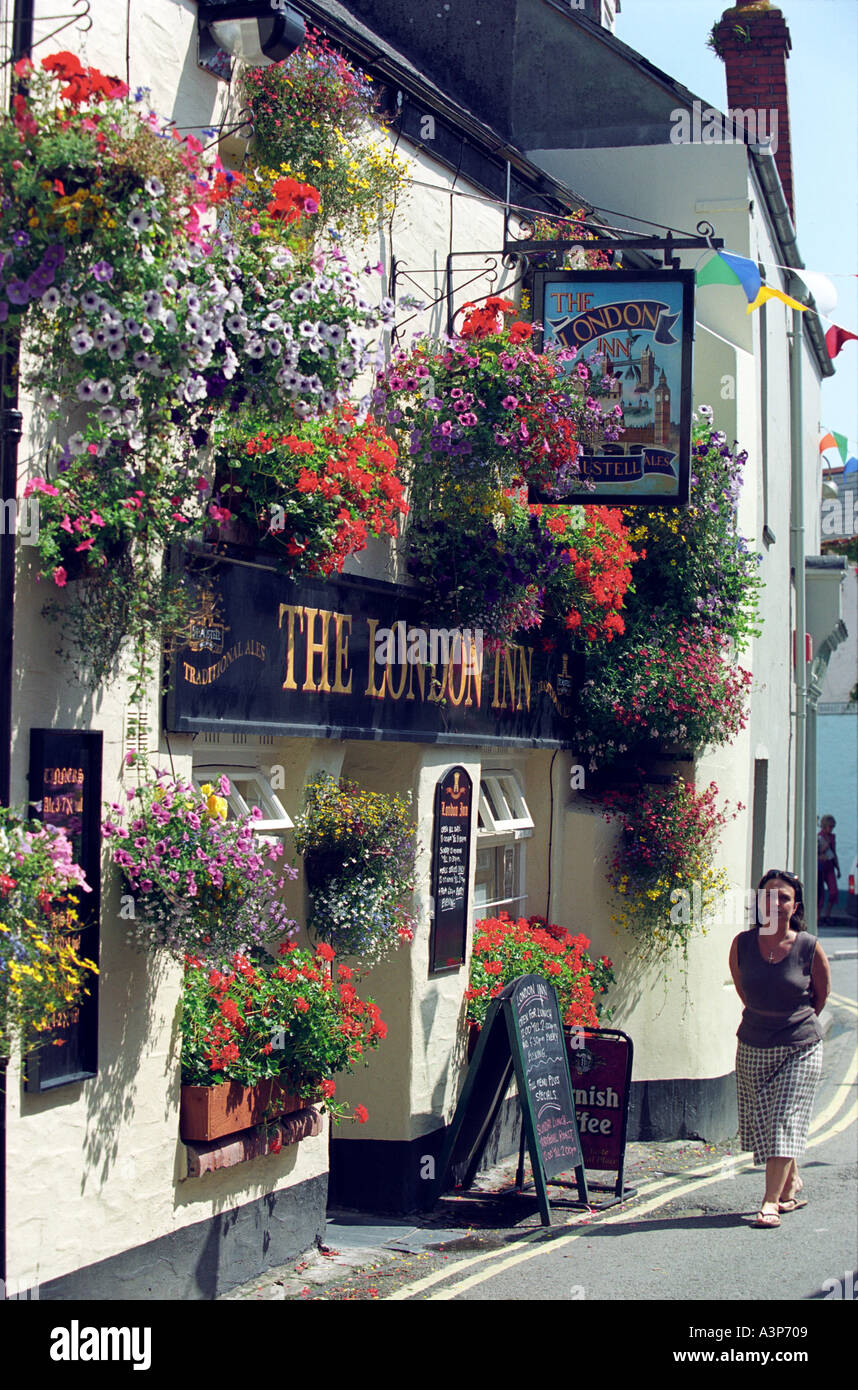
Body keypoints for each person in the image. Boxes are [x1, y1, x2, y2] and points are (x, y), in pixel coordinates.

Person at [728, 869, 831, 1228]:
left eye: (783, 896)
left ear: (795, 905)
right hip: (754, 1042)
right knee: (761, 1125)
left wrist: (791, 1023)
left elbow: (819, 996)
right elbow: (745, 990)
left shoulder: (809, 947)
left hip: (799, 1044)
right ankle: (790, 1181)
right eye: (768, 895)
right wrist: (765, 1017)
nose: (775, 902)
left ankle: (769, 1203)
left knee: (784, 1119)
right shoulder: (742, 944)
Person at [817, 815, 840, 923]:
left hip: (830, 867)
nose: (831, 829)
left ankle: (827, 914)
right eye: (829, 827)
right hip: (821, 867)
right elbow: (816, 853)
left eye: (832, 827)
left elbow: (834, 853)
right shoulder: (819, 837)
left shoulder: (832, 837)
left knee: (833, 891)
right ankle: (818, 916)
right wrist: (824, 847)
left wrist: (838, 868)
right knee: (820, 893)